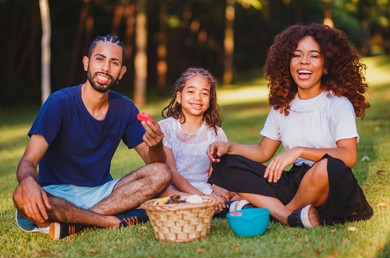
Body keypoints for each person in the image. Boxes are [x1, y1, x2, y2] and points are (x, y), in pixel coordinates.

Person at [206, 23, 374, 228]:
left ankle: (277, 211)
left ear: (326, 65)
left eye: (314, 55)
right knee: (226, 162)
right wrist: (229, 147)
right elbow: (262, 151)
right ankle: (288, 216)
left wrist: (299, 151)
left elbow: (349, 156)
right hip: (295, 182)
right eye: (297, 55)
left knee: (328, 166)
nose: (304, 61)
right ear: (287, 62)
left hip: (328, 183)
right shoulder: (283, 105)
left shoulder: (338, 104)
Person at [12, 34, 171, 240]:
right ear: (86, 63)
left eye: (114, 63)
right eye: (99, 59)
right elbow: (28, 161)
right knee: (20, 196)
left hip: (103, 192)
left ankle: (77, 223)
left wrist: (156, 145)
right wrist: (28, 182)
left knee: (161, 173)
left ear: (121, 72)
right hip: (57, 194)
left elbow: (154, 164)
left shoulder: (124, 107)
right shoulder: (59, 102)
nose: (105, 68)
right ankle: (107, 219)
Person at [158, 67, 246, 214]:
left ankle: (224, 205)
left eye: (204, 93)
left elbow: (215, 173)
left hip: (205, 188)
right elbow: (171, 172)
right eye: (191, 91)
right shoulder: (166, 128)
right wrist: (202, 197)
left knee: (241, 190)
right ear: (179, 97)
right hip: (175, 190)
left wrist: (219, 191)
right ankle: (207, 204)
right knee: (160, 193)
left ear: (210, 100)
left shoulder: (214, 133)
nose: (197, 98)